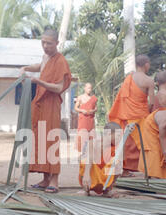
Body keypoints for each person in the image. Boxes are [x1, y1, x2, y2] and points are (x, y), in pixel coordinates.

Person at [20, 28, 72, 194]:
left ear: (56, 43)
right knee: (40, 139)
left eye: (49, 43)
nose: (45, 46)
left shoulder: (61, 61)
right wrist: (26, 67)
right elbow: (41, 66)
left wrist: (38, 82)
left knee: (51, 141)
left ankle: (54, 180)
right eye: (43, 42)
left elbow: (58, 88)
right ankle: (45, 179)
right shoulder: (46, 57)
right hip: (40, 104)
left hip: (51, 105)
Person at [108, 54, 155, 177]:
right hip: (142, 115)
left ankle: (124, 170)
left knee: (127, 144)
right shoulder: (149, 81)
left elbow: (123, 97)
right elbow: (152, 102)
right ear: (146, 65)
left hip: (127, 115)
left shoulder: (129, 78)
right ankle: (147, 170)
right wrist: (147, 111)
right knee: (144, 144)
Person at [79, 122, 123, 198]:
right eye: (118, 136)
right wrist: (86, 175)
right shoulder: (93, 143)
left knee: (117, 163)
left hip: (105, 178)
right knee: (84, 162)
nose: (120, 138)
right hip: (90, 177)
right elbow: (88, 158)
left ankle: (107, 190)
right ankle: (86, 189)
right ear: (109, 134)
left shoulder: (114, 147)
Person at [74, 82, 98, 152]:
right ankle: (82, 156)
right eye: (88, 88)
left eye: (90, 88)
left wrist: (92, 110)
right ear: (85, 88)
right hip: (83, 120)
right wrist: (82, 110)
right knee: (83, 139)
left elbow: (96, 108)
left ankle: (90, 157)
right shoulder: (80, 97)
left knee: (92, 139)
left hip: (90, 120)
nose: (89, 90)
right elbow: (75, 108)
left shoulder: (93, 98)